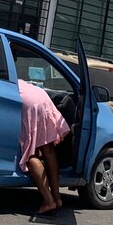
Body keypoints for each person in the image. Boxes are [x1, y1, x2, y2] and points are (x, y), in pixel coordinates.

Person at [18, 78, 71, 215]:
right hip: (43, 100)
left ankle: (48, 201)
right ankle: (57, 198)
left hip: (29, 105)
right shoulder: (22, 82)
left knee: (31, 155)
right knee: (48, 150)